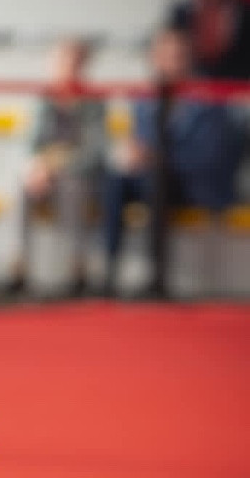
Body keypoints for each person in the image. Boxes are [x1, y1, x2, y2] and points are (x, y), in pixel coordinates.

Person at [103, 29, 243, 296]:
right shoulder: (145, 99)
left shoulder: (208, 97)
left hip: (194, 184)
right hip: (156, 182)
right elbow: (140, 144)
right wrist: (135, 155)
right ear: (154, 59)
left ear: (189, 59)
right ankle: (110, 271)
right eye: (164, 56)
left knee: (155, 180)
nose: (171, 63)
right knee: (116, 177)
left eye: (178, 56)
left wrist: (155, 158)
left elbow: (208, 157)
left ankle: (157, 277)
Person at [8, 39, 104, 297]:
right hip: (44, 174)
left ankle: (77, 267)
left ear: (83, 66)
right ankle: (17, 266)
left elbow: (96, 152)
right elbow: (27, 144)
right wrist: (35, 167)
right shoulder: (41, 98)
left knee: (73, 188)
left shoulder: (94, 101)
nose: (67, 68)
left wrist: (57, 164)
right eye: (61, 61)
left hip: (77, 174)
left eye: (73, 62)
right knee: (17, 187)